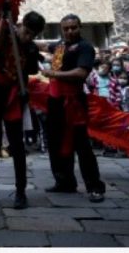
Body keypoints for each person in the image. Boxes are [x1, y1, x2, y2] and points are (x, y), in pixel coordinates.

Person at [0, 9, 46, 210]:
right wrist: (2, 18)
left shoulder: (31, 49)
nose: (27, 37)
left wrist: (24, 89)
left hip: (15, 94)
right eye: (26, 32)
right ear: (21, 25)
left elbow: (31, 71)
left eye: (32, 35)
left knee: (17, 144)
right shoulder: (5, 34)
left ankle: (20, 191)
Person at [39, 14, 106, 203]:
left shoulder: (85, 48)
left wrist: (53, 73)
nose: (70, 31)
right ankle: (64, 181)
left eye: (73, 28)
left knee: (82, 145)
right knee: (55, 143)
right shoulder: (60, 46)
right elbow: (43, 46)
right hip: (55, 101)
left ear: (80, 27)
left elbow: (81, 72)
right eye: (66, 28)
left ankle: (94, 186)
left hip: (74, 101)